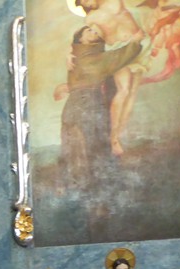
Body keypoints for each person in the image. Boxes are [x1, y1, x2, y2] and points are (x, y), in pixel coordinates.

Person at [56, 25, 143, 190]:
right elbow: (113, 58)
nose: (93, 31)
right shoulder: (86, 57)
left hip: (83, 103)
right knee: (86, 143)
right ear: (80, 38)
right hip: (85, 104)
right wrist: (135, 42)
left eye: (95, 31)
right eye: (88, 30)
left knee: (86, 143)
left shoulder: (81, 54)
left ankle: (84, 185)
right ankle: (87, 185)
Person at [76, 0, 149, 156]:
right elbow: (88, 40)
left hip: (139, 46)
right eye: (84, 3)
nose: (88, 3)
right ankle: (113, 138)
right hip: (119, 50)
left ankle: (118, 135)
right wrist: (70, 53)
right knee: (124, 90)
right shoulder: (91, 18)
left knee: (132, 92)